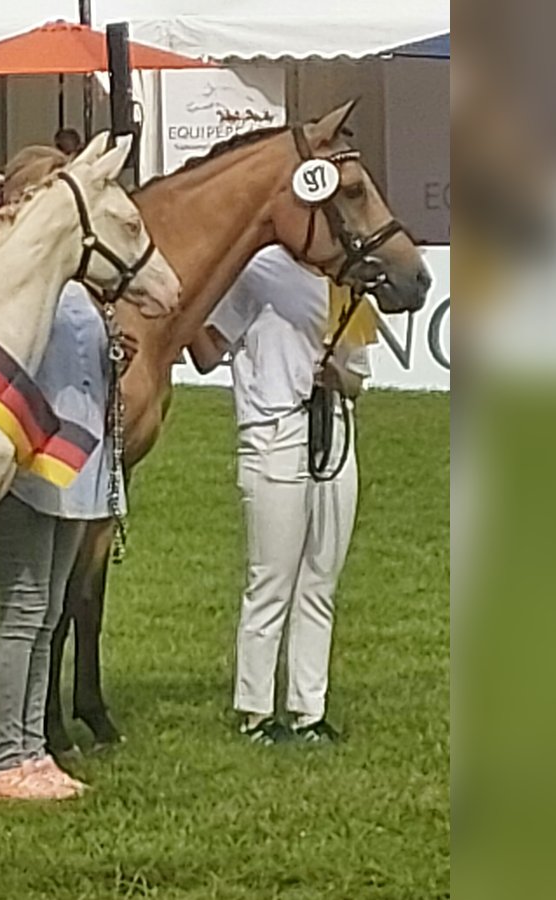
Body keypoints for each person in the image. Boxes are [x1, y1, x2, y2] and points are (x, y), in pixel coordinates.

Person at [0, 147, 130, 802]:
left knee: (45, 613)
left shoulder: (74, 284)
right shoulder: (12, 285)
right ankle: (4, 755)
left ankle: (31, 748)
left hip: (77, 465)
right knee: (22, 608)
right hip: (33, 462)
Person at [188, 244, 374, 745]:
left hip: (334, 428)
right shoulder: (257, 270)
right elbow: (206, 350)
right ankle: (255, 709)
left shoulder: (346, 286)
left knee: (321, 577)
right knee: (270, 578)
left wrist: (338, 377)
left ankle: (308, 708)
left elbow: (358, 377)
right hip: (273, 432)